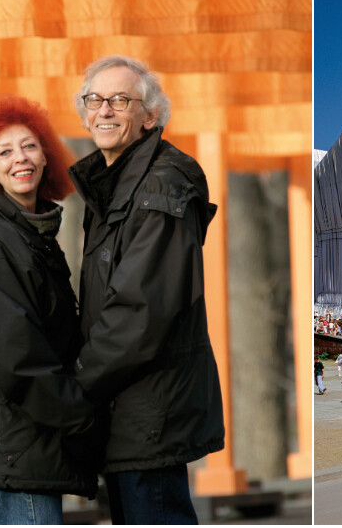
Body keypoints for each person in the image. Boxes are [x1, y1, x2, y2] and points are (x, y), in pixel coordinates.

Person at [68, 56, 225, 524]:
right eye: (95, 100)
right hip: (125, 409)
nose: (105, 110)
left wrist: (75, 387)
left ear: (150, 116)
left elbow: (141, 311)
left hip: (150, 410)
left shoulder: (162, 184)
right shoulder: (113, 186)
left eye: (120, 100)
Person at [0, 95, 99, 524]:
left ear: (46, 153)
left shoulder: (28, 231)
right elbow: (12, 354)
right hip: (17, 439)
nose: (20, 159)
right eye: (4, 151)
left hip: (33, 434)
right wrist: (80, 416)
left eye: (29, 146)